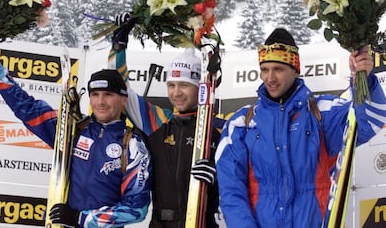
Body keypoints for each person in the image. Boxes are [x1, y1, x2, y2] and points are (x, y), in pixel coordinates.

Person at [0, 33, 151, 228]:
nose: (100, 102)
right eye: (95, 95)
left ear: (124, 100)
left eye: (108, 95)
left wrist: (82, 219)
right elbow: (27, 107)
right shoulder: (73, 129)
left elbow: (136, 209)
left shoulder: (132, 145)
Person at [214, 28, 386, 228]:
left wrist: (362, 80)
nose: (270, 78)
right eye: (265, 69)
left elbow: (369, 124)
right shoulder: (242, 123)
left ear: (295, 69)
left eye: (278, 69)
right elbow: (231, 191)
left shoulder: (322, 112)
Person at [108, 14, 224, 228]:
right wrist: (119, 43)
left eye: (184, 85)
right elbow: (118, 85)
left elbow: (245, 179)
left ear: (200, 87)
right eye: (171, 85)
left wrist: (220, 176)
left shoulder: (217, 129)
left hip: (204, 222)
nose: (177, 93)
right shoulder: (157, 121)